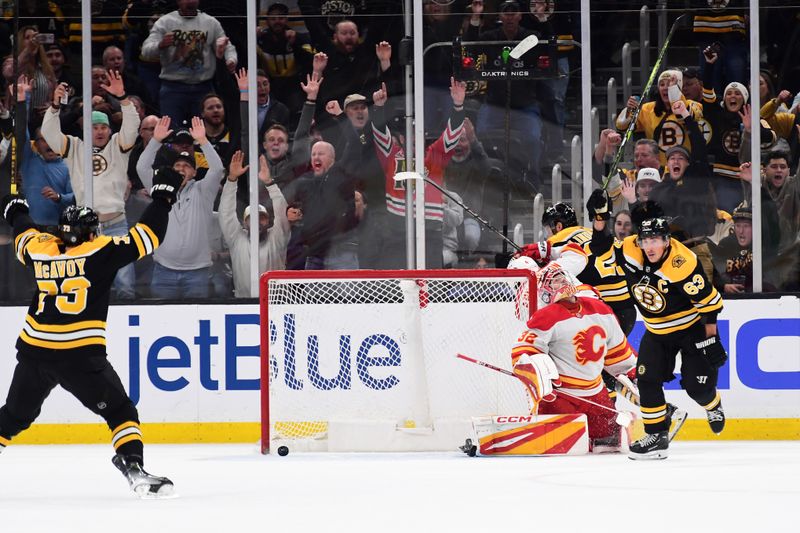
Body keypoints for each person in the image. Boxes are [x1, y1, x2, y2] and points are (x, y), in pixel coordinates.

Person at [0, 164, 183, 497]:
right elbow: (148, 237)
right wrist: (163, 197)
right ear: (89, 232)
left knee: (13, 417)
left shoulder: (40, 249)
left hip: (34, 352)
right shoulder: (99, 252)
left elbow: (23, 233)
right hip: (79, 356)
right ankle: (132, 466)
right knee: (120, 411)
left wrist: (15, 210)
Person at [587, 189, 727, 460]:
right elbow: (601, 247)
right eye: (645, 240)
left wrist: (711, 339)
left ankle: (713, 404)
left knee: (696, 386)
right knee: (646, 379)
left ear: (666, 240)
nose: (649, 246)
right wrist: (600, 218)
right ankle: (656, 435)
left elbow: (709, 304)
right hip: (657, 331)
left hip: (691, 329)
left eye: (656, 240)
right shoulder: (630, 249)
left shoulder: (682, 263)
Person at [510, 263, 637, 452]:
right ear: (544, 292)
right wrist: (539, 377)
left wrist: (634, 372)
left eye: (563, 276)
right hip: (561, 396)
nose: (562, 281)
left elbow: (617, 353)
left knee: (610, 444)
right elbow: (523, 352)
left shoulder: (599, 309)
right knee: (566, 448)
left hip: (596, 395)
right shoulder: (545, 316)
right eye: (554, 281)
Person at [42, 74, 141, 300]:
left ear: (109, 130)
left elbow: (132, 126)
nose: (99, 131)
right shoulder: (75, 147)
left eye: (103, 127)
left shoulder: (118, 146)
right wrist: (55, 106)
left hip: (116, 224)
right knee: (89, 285)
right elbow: (49, 134)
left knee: (125, 284)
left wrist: (123, 99)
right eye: (94, 127)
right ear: (86, 129)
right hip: (85, 228)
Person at [137, 116, 225, 299]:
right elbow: (142, 168)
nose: (181, 169)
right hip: (163, 270)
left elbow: (217, 169)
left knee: (196, 322)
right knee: (161, 324)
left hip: (197, 272)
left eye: (186, 166)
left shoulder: (203, 191)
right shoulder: (161, 189)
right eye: (177, 165)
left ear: (193, 173)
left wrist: (203, 141)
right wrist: (155, 141)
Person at [140, 0, 238, 126]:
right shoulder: (165, 22)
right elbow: (146, 50)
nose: (191, 2)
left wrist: (231, 60)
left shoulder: (210, 22)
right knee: (170, 132)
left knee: (204, 132)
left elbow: (227, 46)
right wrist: (160, 45)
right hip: (173, 88)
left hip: (203, 87)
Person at [219, 151, 290, 297]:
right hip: (243, 304)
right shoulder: (237, 239)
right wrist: (232, 179)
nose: (257, 221)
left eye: (262, 217)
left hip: (274, 304)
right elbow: (226, 213)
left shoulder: (276, 238)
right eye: (252, 218)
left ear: (269, 221)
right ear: (244, 223)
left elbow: (282, 212)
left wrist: (269, 183)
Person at [616, 69, 704, 166]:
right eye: (662, 85)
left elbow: (682, 114)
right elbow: (622, 127)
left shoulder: (694, 105)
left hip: (685, 169)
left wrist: (674, 91)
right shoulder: (647, 109)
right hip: (658, 170)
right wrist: (629, 110)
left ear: (680, 86)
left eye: (670, 84)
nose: (666, 88)